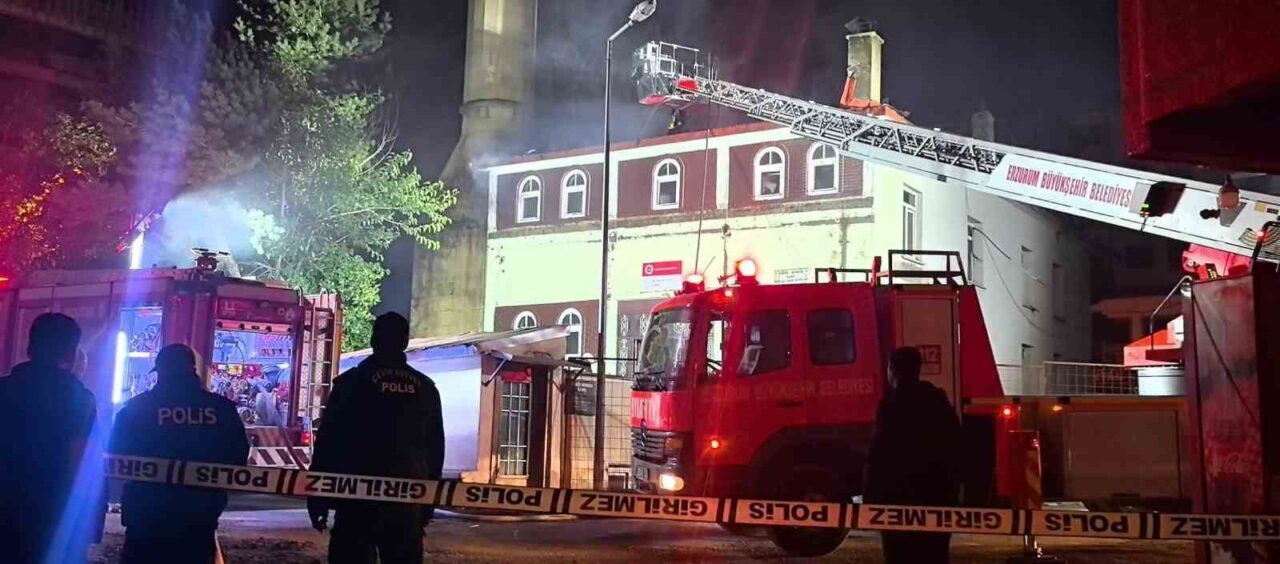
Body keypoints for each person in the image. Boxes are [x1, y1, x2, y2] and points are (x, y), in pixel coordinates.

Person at [308, 312, 445, 564]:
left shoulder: (351, 383)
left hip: (355, 500)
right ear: (404, 342)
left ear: (373, 339)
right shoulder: (425, 389)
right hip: (407, 500)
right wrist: (428, 500)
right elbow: (435, 450)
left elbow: (328, 443)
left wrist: (317, 497)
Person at [108, 344, 249, 564]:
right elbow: (238, 458)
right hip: (199, 517)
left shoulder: (137, 409)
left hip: (145, 519)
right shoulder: (221, 410)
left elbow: (115, 457)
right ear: (193, 370)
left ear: (160, 372)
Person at [0, 313, 98, 564]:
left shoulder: (4, 389)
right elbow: (80, 464)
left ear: (30, 346)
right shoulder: (80, 399)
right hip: (50, 519)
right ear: (71, 353)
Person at [865, 346, 963, 564]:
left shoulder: (890, 404)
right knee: (935, 555)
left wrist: (871, 495)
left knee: (899, 555)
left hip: (897, 501)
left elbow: (880, 452)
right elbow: (956, 445)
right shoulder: (938, 401)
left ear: (892, 370)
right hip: (937, 497)